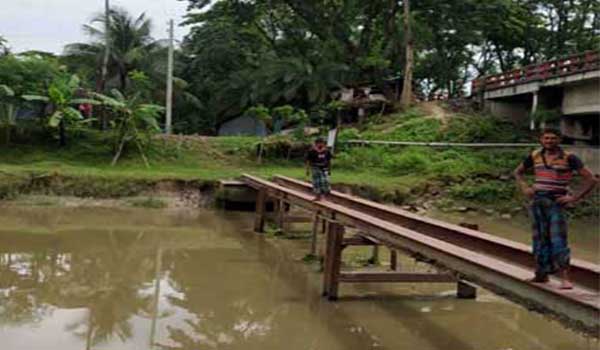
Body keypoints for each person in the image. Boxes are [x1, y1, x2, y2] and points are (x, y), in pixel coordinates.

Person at [514, 128, 597, 289]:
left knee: (558, 240)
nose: (549, 141)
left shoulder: (569, 158)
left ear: (559, 140)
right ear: (541, 140)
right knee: (539, 239)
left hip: (556, 203)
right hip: (538, 201)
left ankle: (565, 279)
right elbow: (518, 172)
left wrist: (574, 198)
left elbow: (591, 179)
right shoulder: (535, 155)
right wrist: (525, 187)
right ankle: (541, 274)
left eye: (553, 138)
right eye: (546, 138)